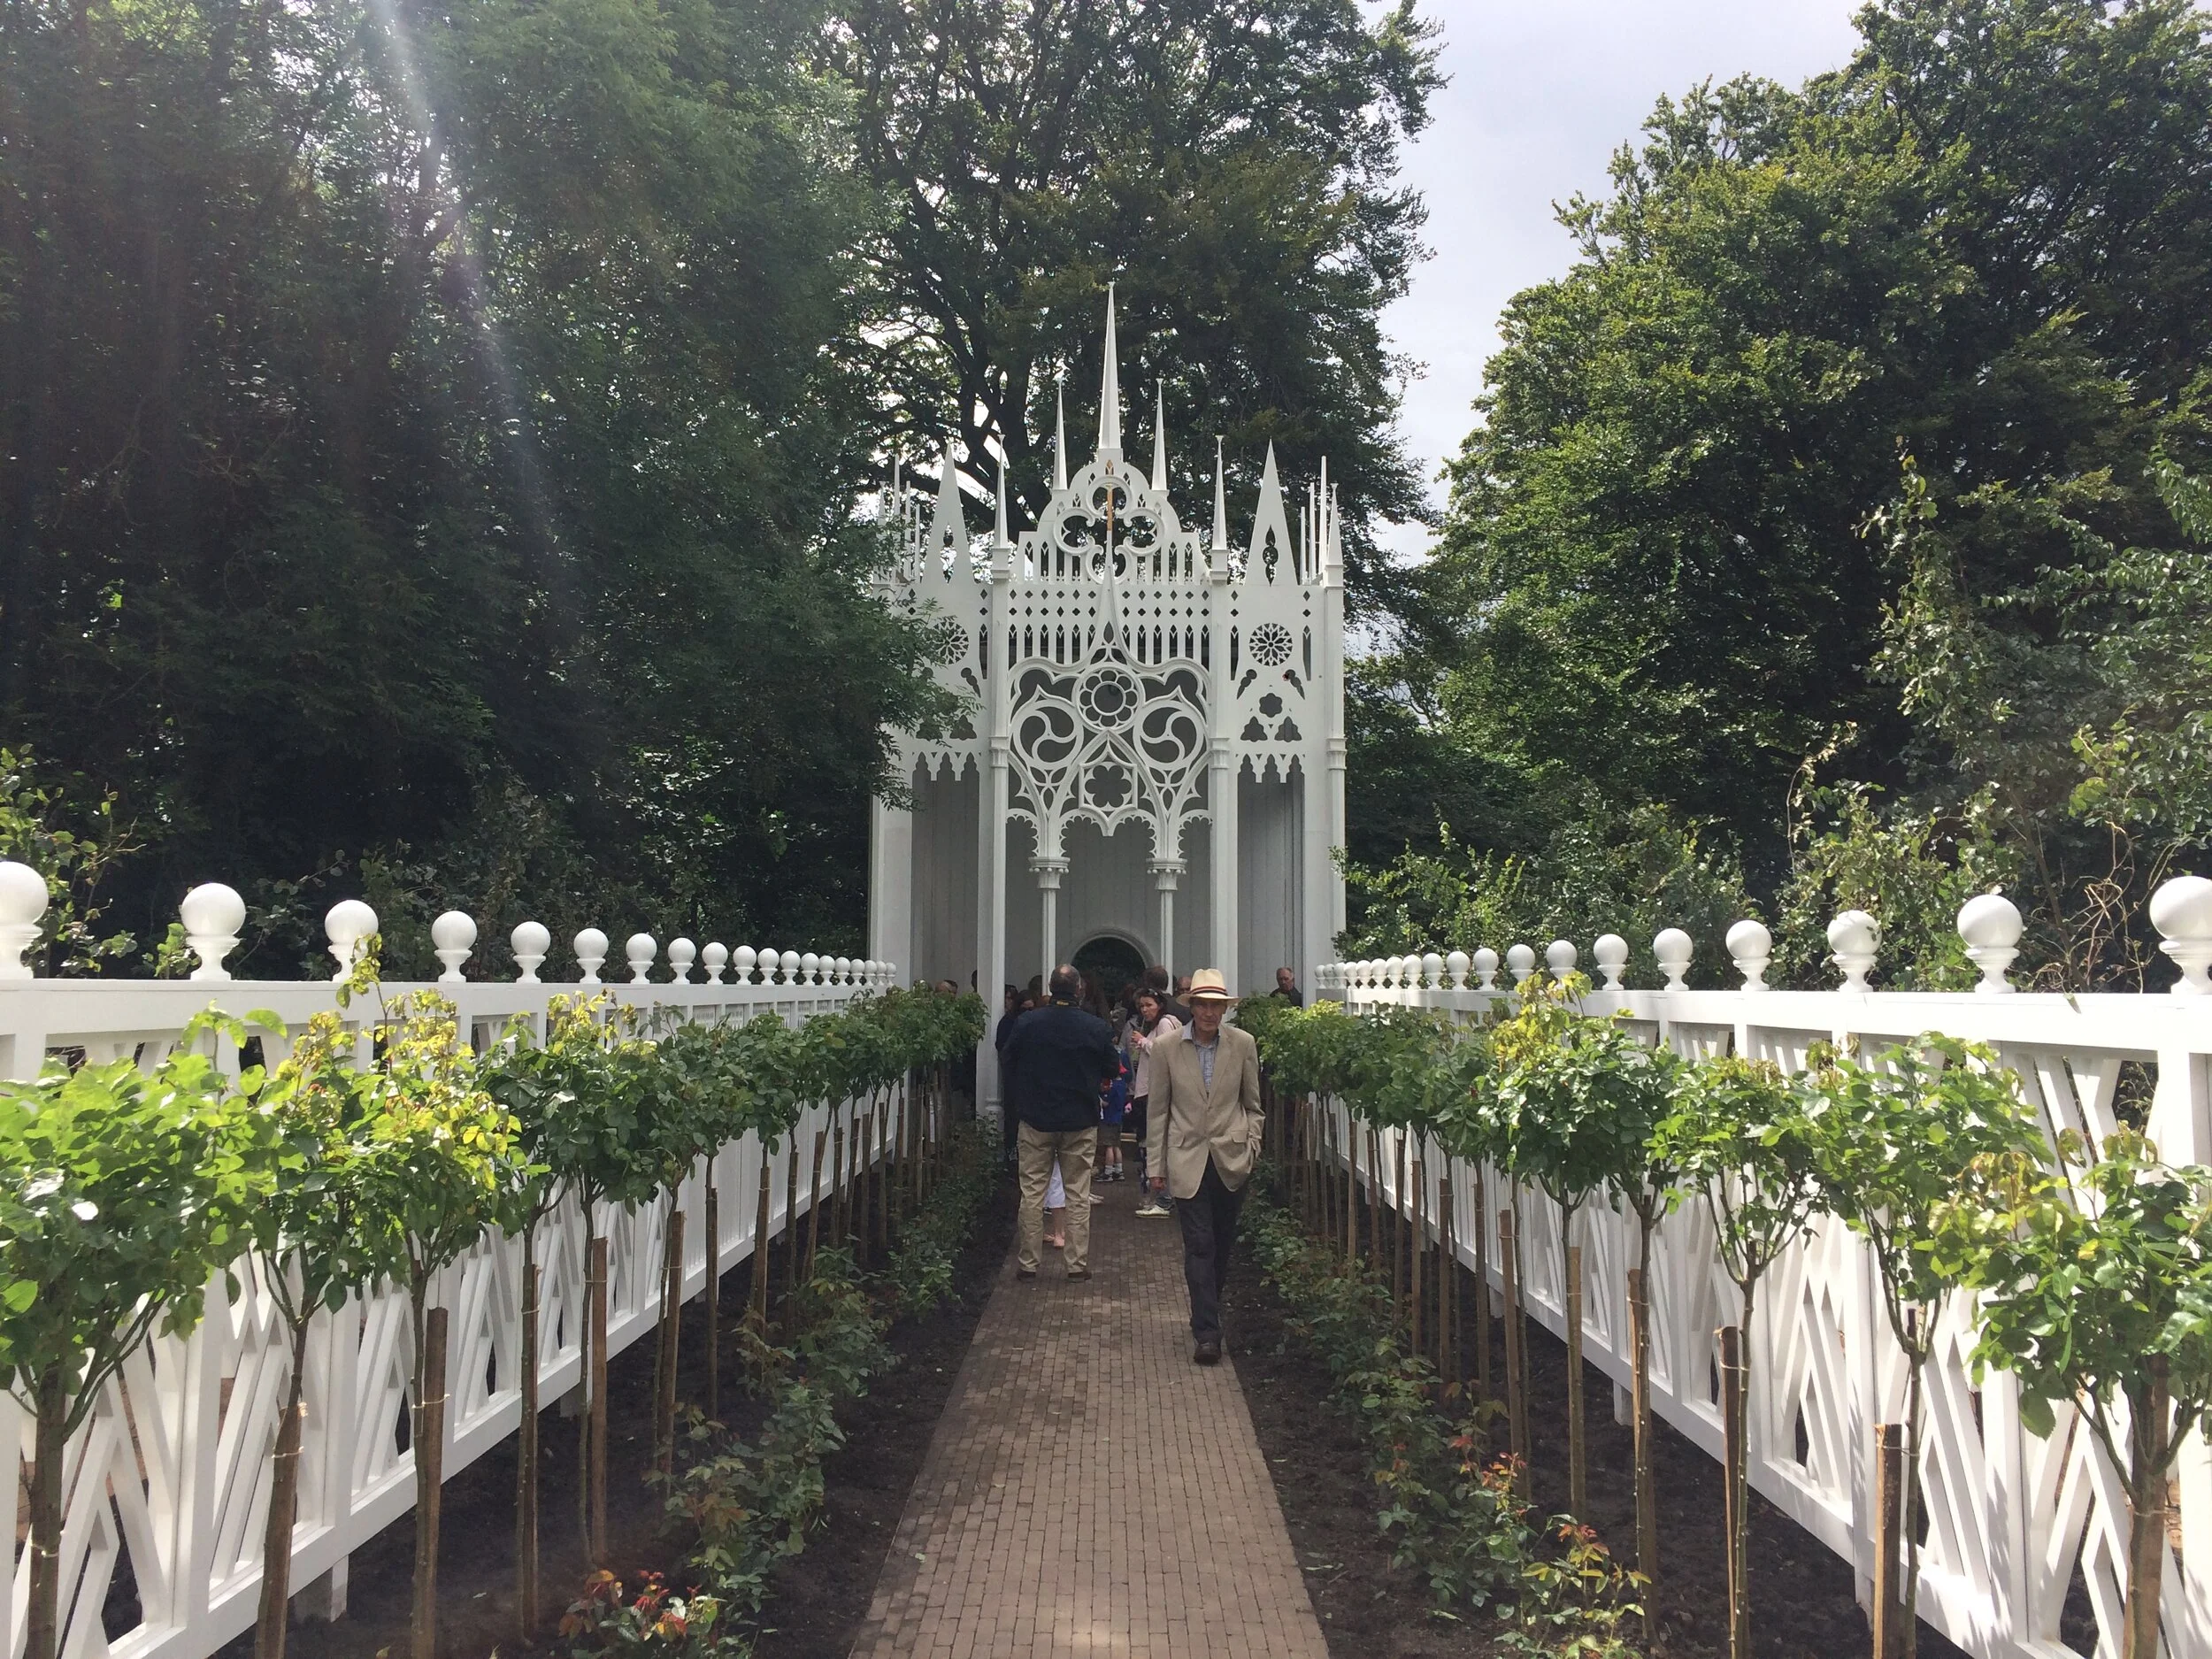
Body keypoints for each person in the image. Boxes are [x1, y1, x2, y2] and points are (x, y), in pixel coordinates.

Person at [1145, 969, 1263, 1363]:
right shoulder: (1165, 1048)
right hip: (1186, 1158)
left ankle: (1205, 1310)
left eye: (1217, 1005)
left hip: (1231, 1158)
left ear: (1225, 1009)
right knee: (1200, 1245)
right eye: (1203, 1004)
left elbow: (1253, 1105)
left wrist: (1253, 1145)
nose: (1210, 1012)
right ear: (1191, 1006)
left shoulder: (1243, 1044)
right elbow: (1157, 1111)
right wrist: (1154, 1166)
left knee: (1222, 1246)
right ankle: (1207, 1334)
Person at [1002, 964, 1118, 1280]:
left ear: (1051, 989)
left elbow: (1008, 1060)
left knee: (1032, 1193)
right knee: (1078, 1194)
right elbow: (1111, 1065)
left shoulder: (1028, 1023)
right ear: (1079, 989)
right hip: (1080, 1120)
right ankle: (1076, 1266)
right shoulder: (1095, 1027)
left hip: (1036, 1119)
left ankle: (1028, 1265)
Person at [1125, 989, 1180, 1218]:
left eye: (1149, 1005)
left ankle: (1163, 1198)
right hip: (1147, 1091)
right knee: (1149, 1145)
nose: (1145, 1010)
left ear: (1160, 1004)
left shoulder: (1166, 1024)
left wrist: (1143, 1041)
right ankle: (1160, 1196)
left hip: (1154, 1093)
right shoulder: (1159, 1025)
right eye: (1141, 1007)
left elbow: (1165, 1053)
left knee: (1154, 1144)